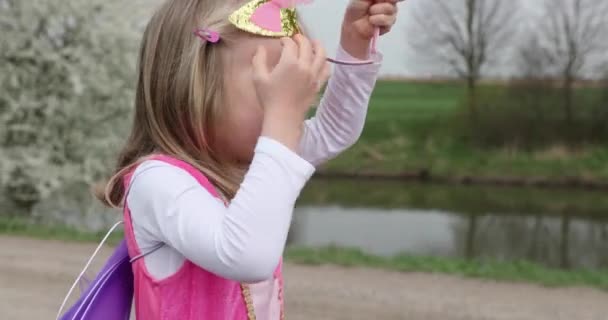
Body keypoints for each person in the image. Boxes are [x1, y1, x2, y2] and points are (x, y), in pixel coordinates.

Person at [62, 0, 400, 319]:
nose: (289, 104)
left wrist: (355, 44)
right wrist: (281, 117)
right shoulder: (158, 180)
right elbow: (247, 257)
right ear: (194, 86)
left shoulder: (250, 161)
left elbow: (334, 130)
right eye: (270, 87)